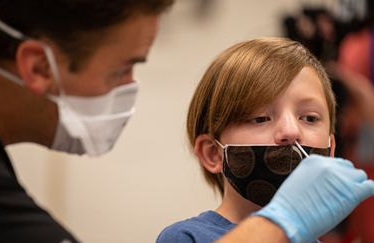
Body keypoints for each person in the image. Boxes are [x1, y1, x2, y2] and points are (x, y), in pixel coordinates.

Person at [0, 1, 372, 243]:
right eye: (121, 69)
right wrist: (284, 222)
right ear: (38, 67)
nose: (290, 132)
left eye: (309, 117)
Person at [156, 37, 374, 243]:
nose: (290, 131)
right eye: (260, 118)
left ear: (331, 148)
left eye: (309, 118)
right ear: (213, 153)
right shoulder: (185, 237)